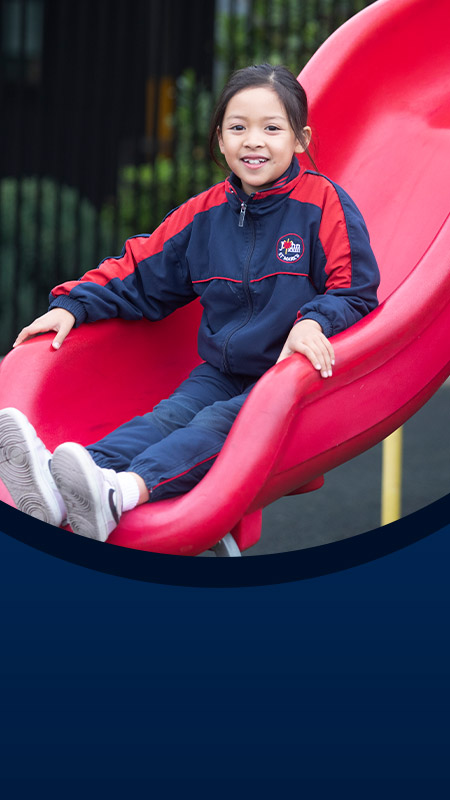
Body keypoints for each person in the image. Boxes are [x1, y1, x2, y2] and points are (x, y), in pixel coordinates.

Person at [0, 63, 380, 543]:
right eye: (238, 128)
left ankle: (124, 492)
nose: (253, 141)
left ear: (300, 139)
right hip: (223, 370)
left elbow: (356, 291)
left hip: (288, 379)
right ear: (220, 139)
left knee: (219, 424)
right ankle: (65, 480)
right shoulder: (204, 216)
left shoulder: (323, 205)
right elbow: (140, 270)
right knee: (169, 417)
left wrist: (314, 321)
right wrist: (74, 304)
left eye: (271, 128)